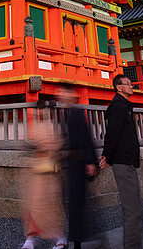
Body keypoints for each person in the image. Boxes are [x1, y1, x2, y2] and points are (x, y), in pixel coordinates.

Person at [100, 74, 142, 249]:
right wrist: (107, 156)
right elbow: (113, 133)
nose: (132, 86)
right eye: (128, 84)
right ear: (118, 87)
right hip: (122, 161)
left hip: (127, 159)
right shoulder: (118, 106)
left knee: (135, 207)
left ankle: (135, 244)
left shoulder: (124, 106)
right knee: (133, 209)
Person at [55, 84, 97, 249]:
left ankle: (79, 239)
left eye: (62, 92)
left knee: (77, 201)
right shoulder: (66, 114)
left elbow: (85, 137)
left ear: (69, 94)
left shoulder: (76, 113)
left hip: (79, 162)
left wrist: (89, 161)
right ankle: (78, 238)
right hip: (72, 163)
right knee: (74, 201)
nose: (60, 96)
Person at [20, 99, 66, 249]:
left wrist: (45, 147)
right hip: (37, 170)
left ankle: (60, 236)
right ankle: (30, 238)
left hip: (50, 170)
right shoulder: (36, 125)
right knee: (32, 204)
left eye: (46, 109)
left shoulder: (55, 126)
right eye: (41, 109)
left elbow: (58, 145)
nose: (43, 112)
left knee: (50, 206)